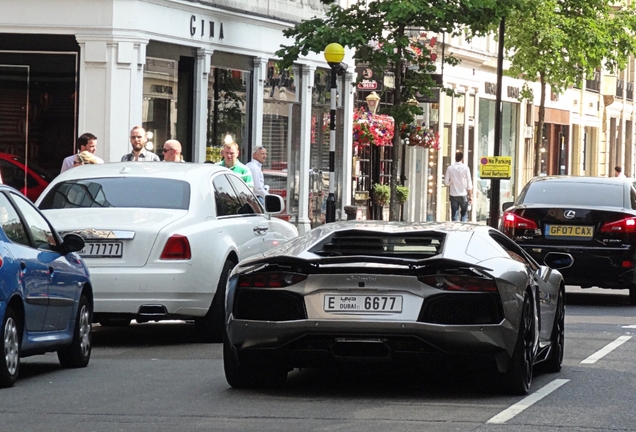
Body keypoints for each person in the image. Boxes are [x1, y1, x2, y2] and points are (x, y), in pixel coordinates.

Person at [444, 151, 473, 222]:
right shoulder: (465, 168)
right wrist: (470, 195)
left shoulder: (450, 168)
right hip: (463, 194)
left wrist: (451, 182)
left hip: (453, 194)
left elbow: (446, 182)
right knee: (464, 214)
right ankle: (463, 229)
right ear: (462, 159)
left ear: (455, 158)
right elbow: (469, 184)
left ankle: (454, 229)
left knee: (454, 214)